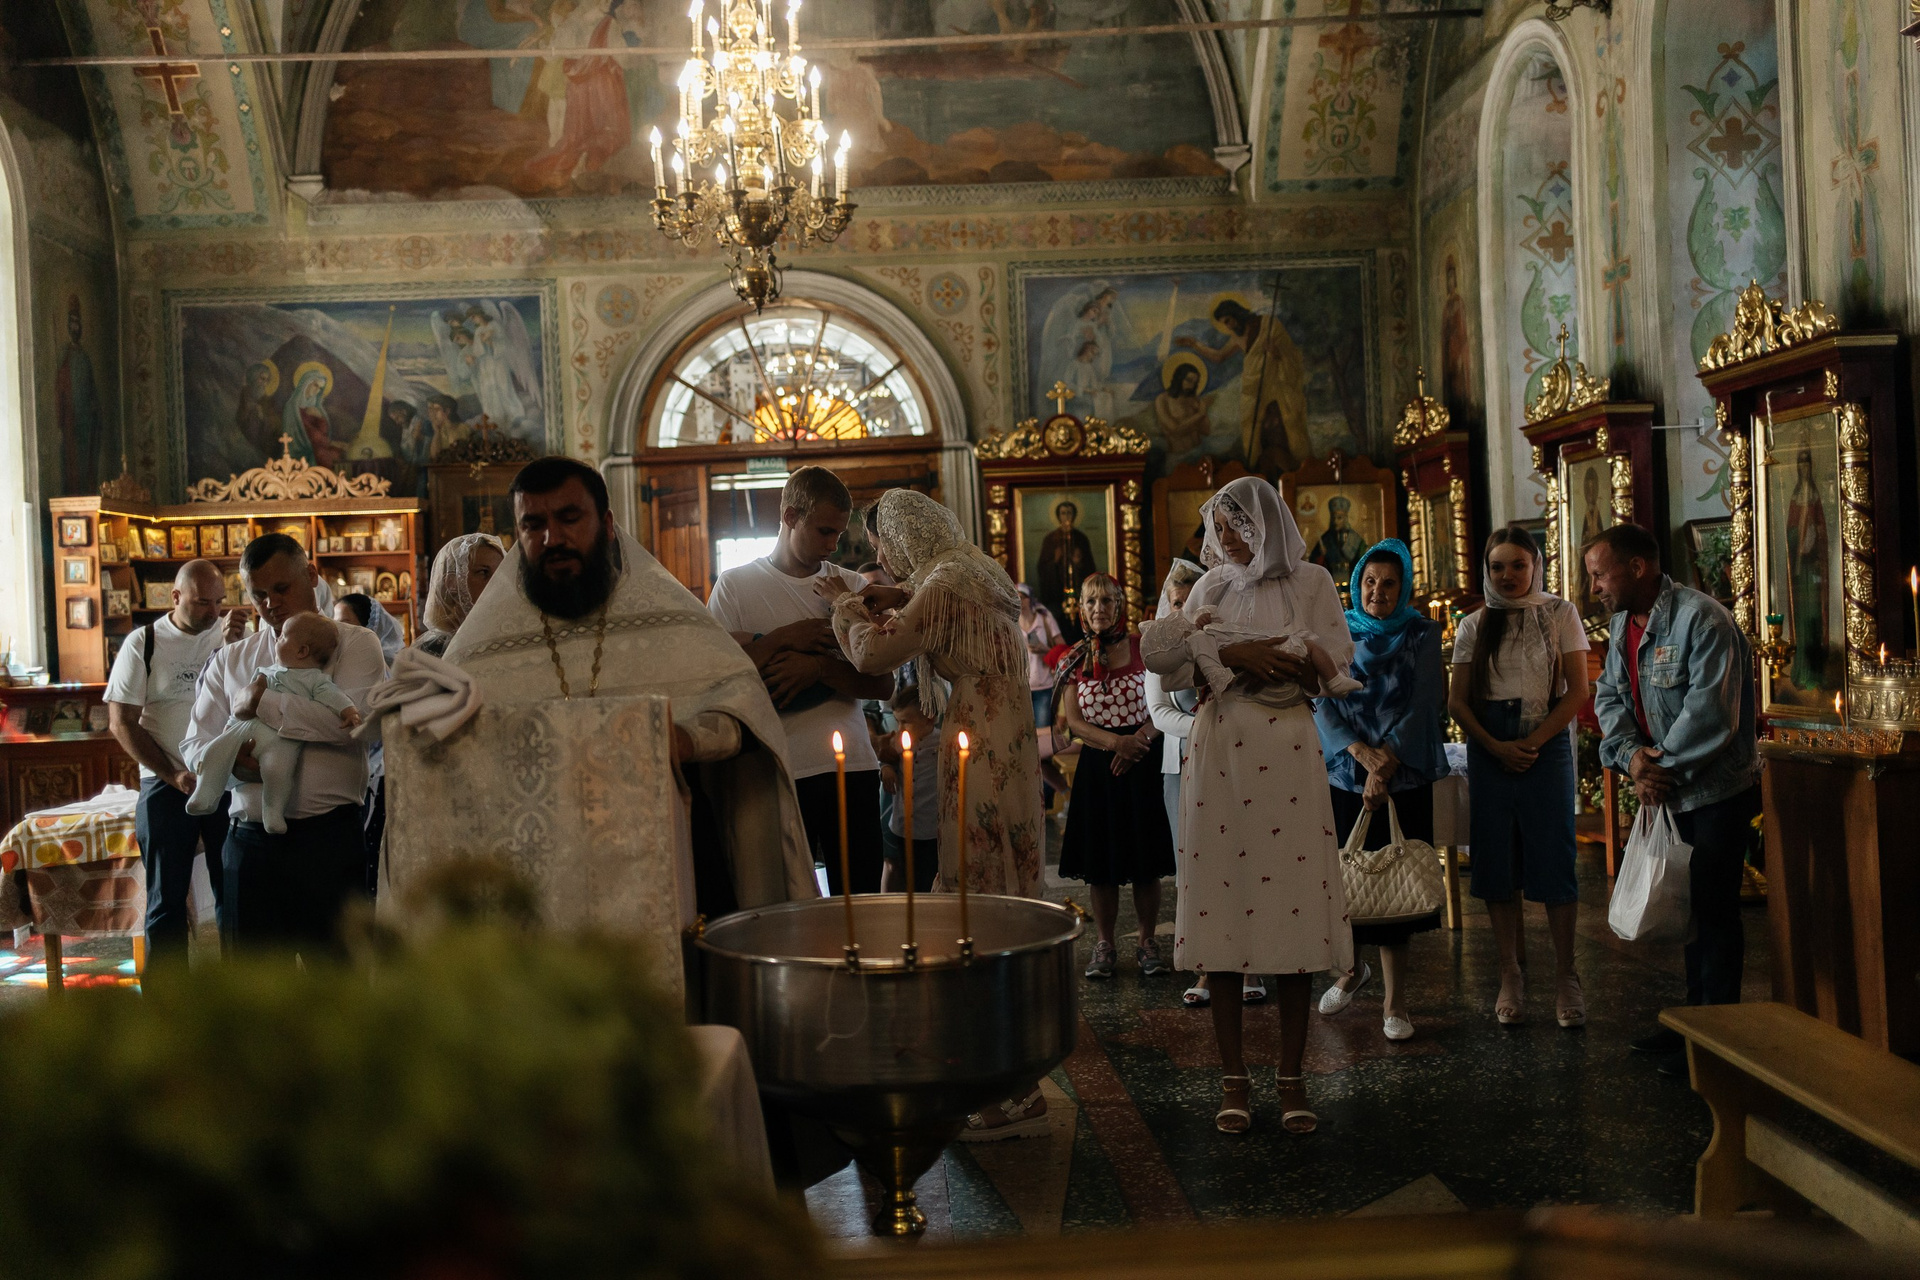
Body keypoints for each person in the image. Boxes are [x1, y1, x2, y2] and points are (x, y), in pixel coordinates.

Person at [444, 457, 817, 915]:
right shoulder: (481, 647)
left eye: (569, 518)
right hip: (541, 877)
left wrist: (685, 739)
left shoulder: (670, 618)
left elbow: (744, 709)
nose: (551, 538)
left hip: (666, 855)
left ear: (606, 524)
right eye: (533, 524)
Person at [815, 488, 1048, 1142]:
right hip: (1010, 737)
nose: (886, 559)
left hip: (978, 742)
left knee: (977, 903)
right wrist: (895, 593)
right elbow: (925, 598)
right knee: (1007, 898)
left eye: (884, 545)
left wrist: (843, 606)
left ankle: (995, 1093)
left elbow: (873, 655)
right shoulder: (974, 568)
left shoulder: (943, 585)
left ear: (904, 535)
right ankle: (1020, 1082)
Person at [1141, 475, 1353, 1135]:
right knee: (1222, 905)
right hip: (1222, 748)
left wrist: (1274, 660)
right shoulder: (1208, 585)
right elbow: (1175, 668)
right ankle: (1234, 1078)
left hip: (1287, 745)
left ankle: (1291, 1077)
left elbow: (1331, 667)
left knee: (1293, 904)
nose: (1225, 538)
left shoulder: (1311, 582)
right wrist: (1238, 651)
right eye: (1218, 527)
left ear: (1268, 524)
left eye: (1237, 525)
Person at [1585, 523, 1759, 1076]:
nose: (1594, 588)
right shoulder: (1622, 624)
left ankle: (1716, 1043)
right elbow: (1609, 697)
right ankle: (1690, 1023)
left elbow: (1711, 715)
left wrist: (1655, 767)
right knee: (1686, 908)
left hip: (1715, 792)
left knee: (1714, 911)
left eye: (1599, 575)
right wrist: (1632, 758)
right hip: (1666, 788)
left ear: (1637, 567)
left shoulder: (1702, 620)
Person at [182, 535, 388, 953]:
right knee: (252, 985)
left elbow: (354, 725)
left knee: (336, 982)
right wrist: (232, 766)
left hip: (328, 842)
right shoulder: (231, 659)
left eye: (281, 588)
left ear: (311, 575)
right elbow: (194, 742)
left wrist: (262, 702)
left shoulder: (355, 644)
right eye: (258, 594)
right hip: (249, 844)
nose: (271, 603)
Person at [708, 467, 894, 895]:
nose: (833, 545)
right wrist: (782, 639)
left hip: (853, 768)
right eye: (824, 531)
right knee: (785, 903)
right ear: (790, 516)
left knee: (860, 902)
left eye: (839, 534)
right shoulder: (735, 586)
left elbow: (882, 685)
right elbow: (717, 677)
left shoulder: (849, 586)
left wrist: (819, 670)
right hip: (778, 769)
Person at [1447, 526, 1591, 1028]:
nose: (1507, 575)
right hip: (1490, 744)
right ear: (1485, 571)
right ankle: (1509, 972)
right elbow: (1457, 702)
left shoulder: (1560, 613)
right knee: (1495, 859)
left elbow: (1578, 691)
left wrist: (1532, 743)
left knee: (1554, 855)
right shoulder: (1474, 624)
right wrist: (1495, 747)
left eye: (1518, 565)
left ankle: (1566, 976)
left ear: (1536, 566)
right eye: (1497, 567)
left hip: (1545, 743)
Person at [1312, 540, 1451, 1041]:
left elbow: (1426, 701)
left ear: (1404, 586)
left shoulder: (1421, 632)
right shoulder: (1335, 632)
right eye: (1369, 581)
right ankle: (1351, 972)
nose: (1378, 591)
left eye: (1390, 583)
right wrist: (1359, 753)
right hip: (1344, 773)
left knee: (1395, 888)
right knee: (1345, 882)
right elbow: (1319, 699)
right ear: (1356, 585)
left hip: (1402, 772)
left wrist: (1384, 762)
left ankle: (1395, 1003)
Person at [106, 560, 231, 967]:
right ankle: (167, 997)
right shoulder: (143, 643)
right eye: (202, 603)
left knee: (236, 894)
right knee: (166, 900)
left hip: (227, 781)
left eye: (219, 602)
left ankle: (243, 989)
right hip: (165, 784)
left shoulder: (231, 636)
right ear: (175, 597)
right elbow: (121, 722)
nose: (213, 612)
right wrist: (171, 773)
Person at [1056, 573, 1174, 981]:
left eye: (1107, 601)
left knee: (1145, 861)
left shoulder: (1144, 647)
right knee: (1100, 862)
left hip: (1143, 759)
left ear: (1120, 606)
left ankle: (1147, 941)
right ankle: (1104, 944)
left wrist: (1137, 741)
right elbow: (1075, 722)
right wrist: (1115, 744)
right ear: (1081, 609)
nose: (1099, 609)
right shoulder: (1073, 658)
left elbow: (1166, 703)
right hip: (1099, 766)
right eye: (1091, 602)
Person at [189, 615, 363, 835]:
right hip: (245, 728)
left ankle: (272, 813)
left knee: (278, 772)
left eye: (282, 637)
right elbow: (244, 702)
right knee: (215, 751)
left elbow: (335, 697)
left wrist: (349, 711)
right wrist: (233, 723)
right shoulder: (265, 670)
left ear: (302, 651)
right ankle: (204, 794)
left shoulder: (315, 680)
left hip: (281, 740)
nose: (276, 640)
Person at [879, 684, 941, 893]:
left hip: (931, 828)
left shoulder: (942, 743)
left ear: (929, 718)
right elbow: (887, 760)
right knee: (908, 876)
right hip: (903, 826)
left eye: (906, 722)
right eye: (897, 721)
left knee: (929, 877)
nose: (900, 729)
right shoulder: (898, 741)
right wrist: (887, 768)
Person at [1016, 582, 1071, 806]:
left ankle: (1049, 798)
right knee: (1026, 742)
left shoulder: (1044, 619)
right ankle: (1036, 795)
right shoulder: (1012, 621)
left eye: (1022, 596)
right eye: (1015, 596)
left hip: (1045, 686)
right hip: (1022, 687)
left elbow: (1063, 650)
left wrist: (1043, 650)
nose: (1019, 600)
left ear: (1030, 599)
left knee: (1040, 744)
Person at [417, 533, 505, 657]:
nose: (496, 581)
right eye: (483, 572)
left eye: (500, 572)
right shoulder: (433, 651)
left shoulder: (510, 636)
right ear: (452, 582)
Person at [1034, 500, 1097, 642]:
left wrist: (1079, 563)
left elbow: (1090, 568)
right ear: (1058, 516)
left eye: (1069, 513)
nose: (1066, 517)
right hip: (1056, 596)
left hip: (1079, 594)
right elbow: (1042, 568)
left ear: (1074, 515)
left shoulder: (1081, 538)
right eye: (1063, 513)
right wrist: (1055, 561)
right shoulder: (1050, 539)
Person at [1308, 496, 1369, 588]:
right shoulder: (1325, 539)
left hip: (1352, 584)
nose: (1335, 521)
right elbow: (1313, 563)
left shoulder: (1356, 539)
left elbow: (1364, 563)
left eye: (1339, 518)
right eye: (1333, 518)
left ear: (1346, 518)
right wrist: (1321, 556)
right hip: (1330, 585)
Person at [333, 592, 403, 665]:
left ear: (368, 627)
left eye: (344, 624)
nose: (337, 630)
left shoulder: (381, 664)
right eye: (335, 623)